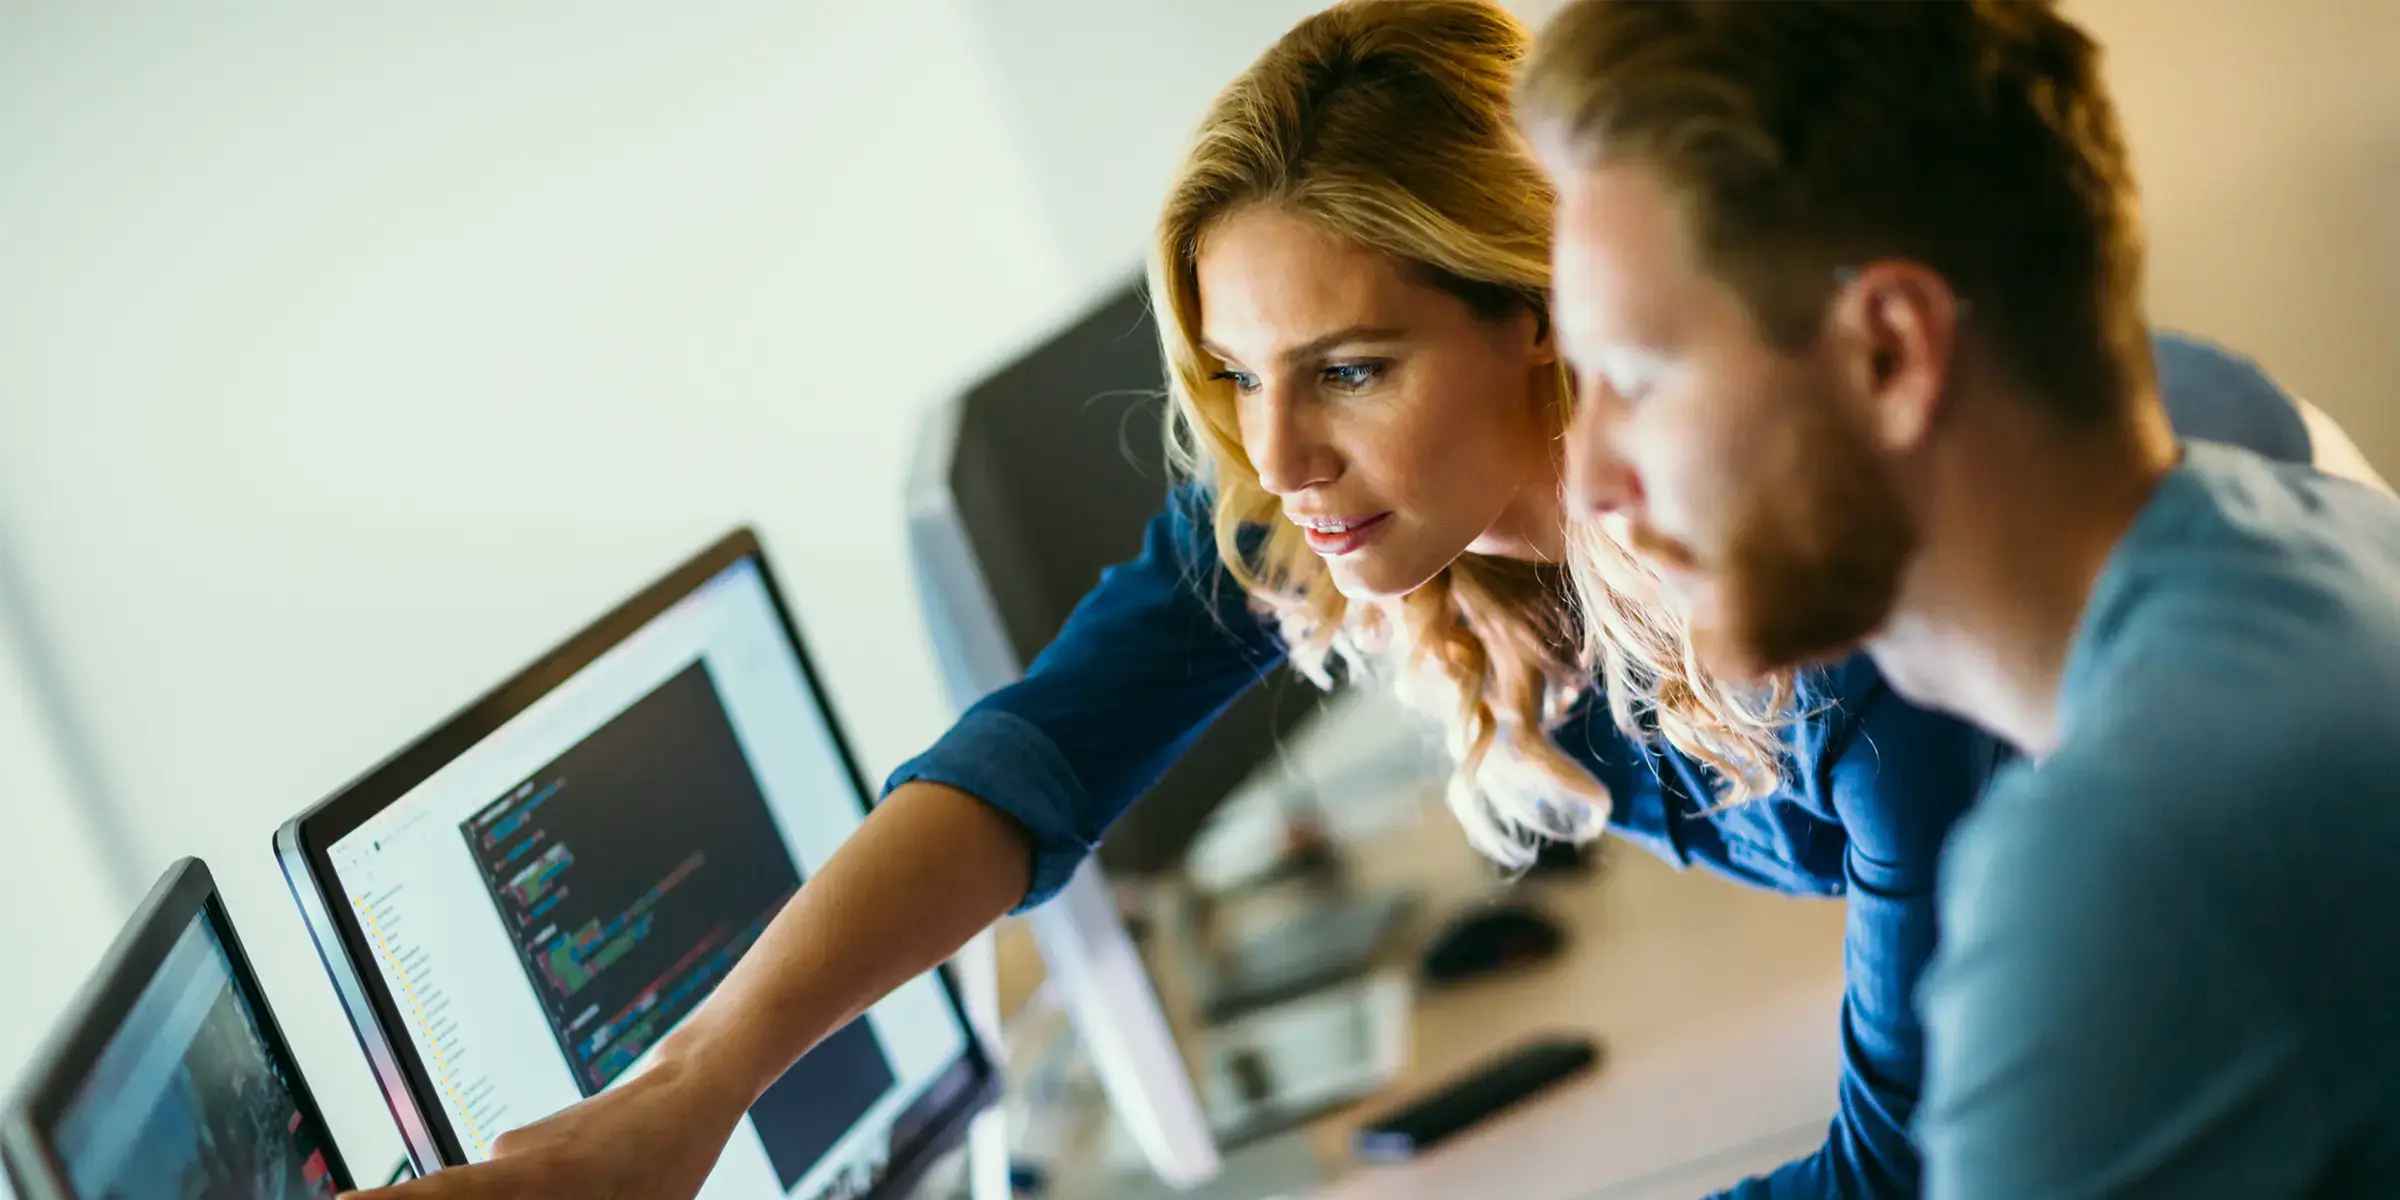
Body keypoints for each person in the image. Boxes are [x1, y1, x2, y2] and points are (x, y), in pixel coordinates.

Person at [346, 4, 2367, 1198]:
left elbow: (1907, 1170)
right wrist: (685, 1096)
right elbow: (1036, 753)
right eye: (1236, 377)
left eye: (1352, 367)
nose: (1279, 458)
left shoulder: (1867, 608)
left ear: (1545, 321)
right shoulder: (1368, 499)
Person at [1519, 0, 2400, 1195]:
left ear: (1888, 353)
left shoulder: (2126, 858)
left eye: (1636, 378)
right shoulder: (2310, 532)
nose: (1587, 480)